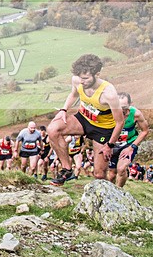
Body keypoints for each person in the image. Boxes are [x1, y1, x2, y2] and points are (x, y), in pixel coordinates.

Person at [48, 54, 125, 186]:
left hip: (103, 129)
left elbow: (120, 122)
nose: (81, 82)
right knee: (52, 129)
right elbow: (73, 94)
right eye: (79, 78)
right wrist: (63, 110)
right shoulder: (77, 80)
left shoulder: (109, 94)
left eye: (85, 78)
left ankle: (111, 196)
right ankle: (67, 169)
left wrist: (110, 145)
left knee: (99, 174)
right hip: (83, 119)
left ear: (97, 74)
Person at [106, 92, 150, 188]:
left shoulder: (136, 114)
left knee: (121, 169)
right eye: (119, 107)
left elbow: (145, 131)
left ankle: (119, 192)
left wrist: (132, 147)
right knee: (112, 173)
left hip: (128, 144)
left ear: (130, 104)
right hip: (112, 144)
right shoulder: (109, 112)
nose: (121, 110)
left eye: (125, 107)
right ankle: (109, 192)